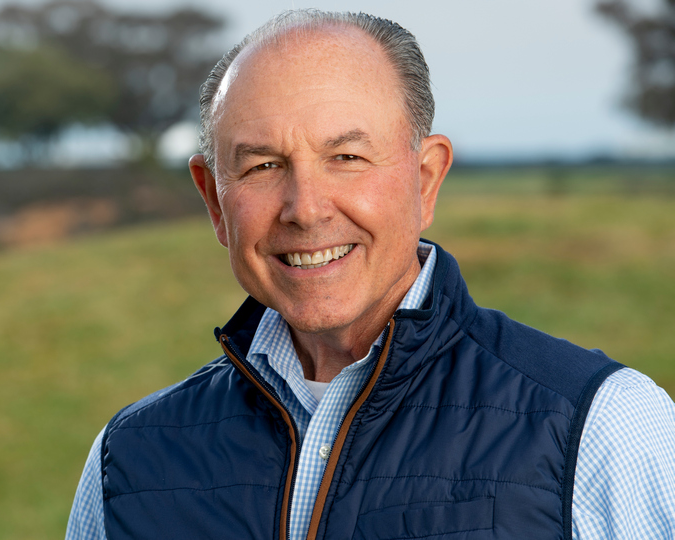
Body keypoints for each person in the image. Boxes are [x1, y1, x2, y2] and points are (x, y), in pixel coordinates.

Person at [67, 9, 675, 540]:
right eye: (262, 165)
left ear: (426, 178)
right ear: (213, 200)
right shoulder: (129, 461)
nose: (305, 208)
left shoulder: (604, 427)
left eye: (347, 158)